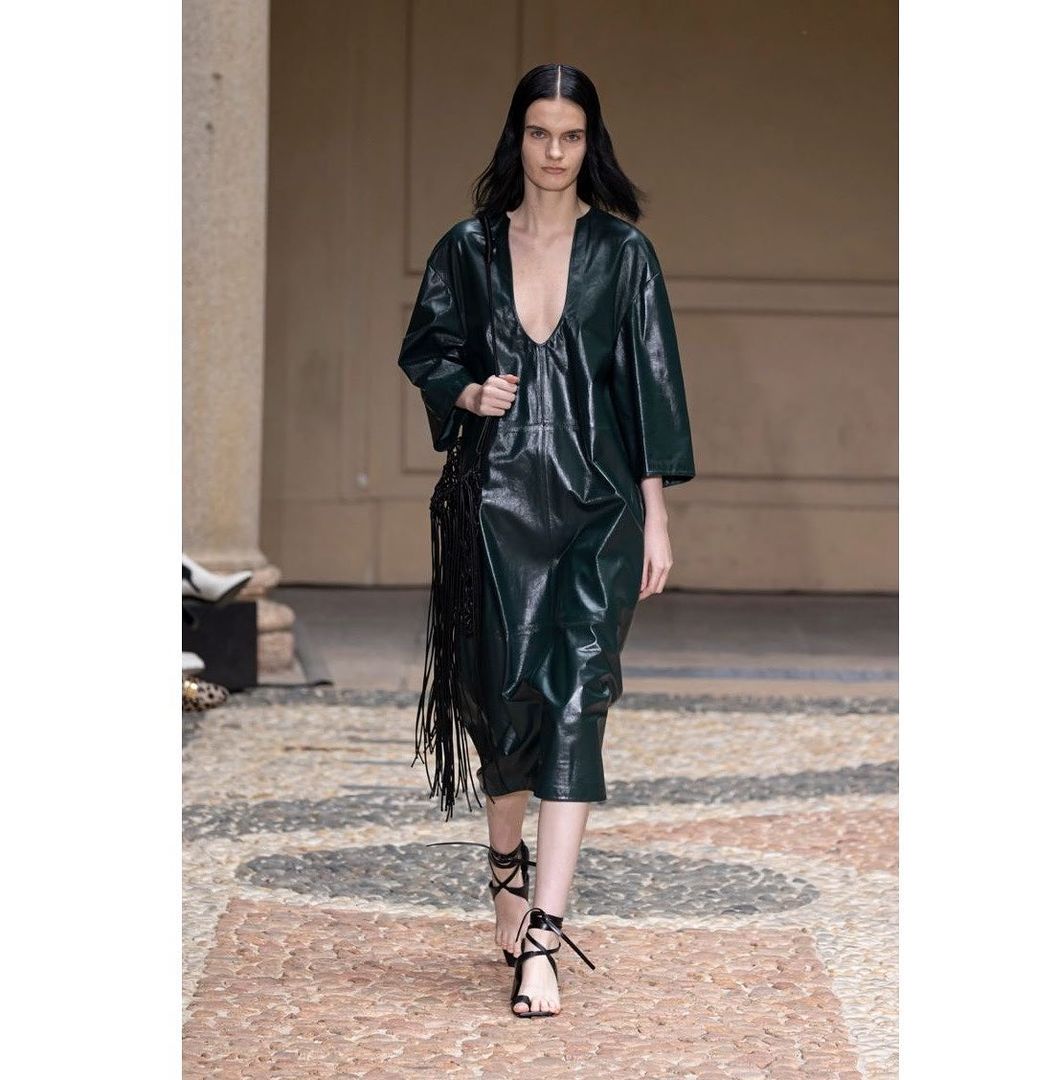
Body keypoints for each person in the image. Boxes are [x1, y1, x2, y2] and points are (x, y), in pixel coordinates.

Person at [397, 63, 695, 1018]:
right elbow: (427, 349)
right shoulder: (470, 248)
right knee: (503, 700)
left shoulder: (624, 253)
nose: (555, 152)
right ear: (516, 139)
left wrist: (655, 514)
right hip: (494, 504)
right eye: (539, 134)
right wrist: (466, 389)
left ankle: (543, 938)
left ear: (589, 142)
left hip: (598, 510)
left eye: (571, 135)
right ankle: (503, 864)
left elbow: (649, 385)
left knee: (577, 700)